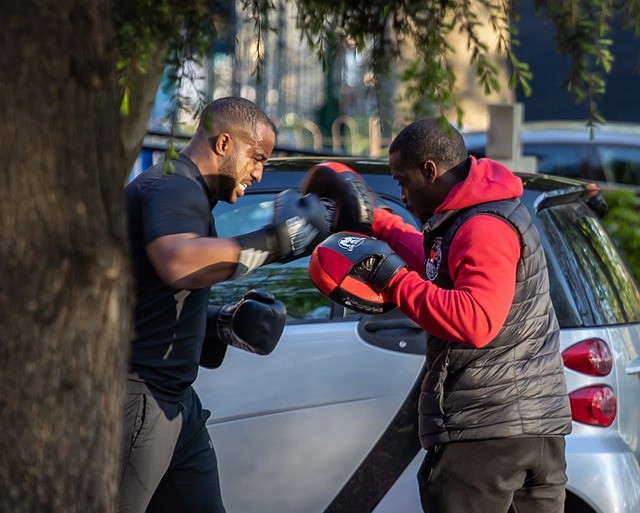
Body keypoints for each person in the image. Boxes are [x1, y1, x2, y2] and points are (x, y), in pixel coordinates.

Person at [308, 118, 573, 513]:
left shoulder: (483, 226)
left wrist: (390, 276)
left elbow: (475, 320)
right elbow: (438, 269)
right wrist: (380, 224)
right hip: (528, 431)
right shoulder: (478, 215)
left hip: (485, 437)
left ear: (429, 171)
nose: (402, 193)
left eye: (402, 181)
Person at [119, 96, 328, 513]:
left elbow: (152, 296)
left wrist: (220, 324)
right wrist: (275, 242)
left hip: (177, 404)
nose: (259, 171)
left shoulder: (187, 189)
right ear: (224, 143)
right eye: (257, 157)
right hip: (140, 395)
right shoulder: (173, 184)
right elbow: (177, 261)